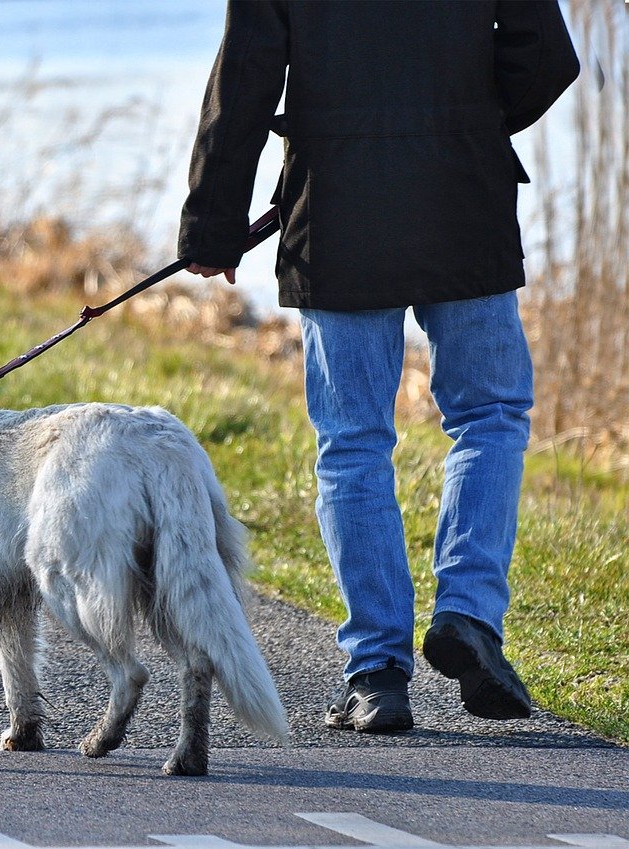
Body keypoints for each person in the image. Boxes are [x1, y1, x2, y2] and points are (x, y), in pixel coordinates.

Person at [178, 1, 579, 732]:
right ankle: (468, 614)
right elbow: (547, 59)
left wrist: (212, 221)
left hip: (338, 213)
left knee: (354, 440)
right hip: (465, 196)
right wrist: (467, 121)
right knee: (490, 415)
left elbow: (245, 79)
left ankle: (376, 673)